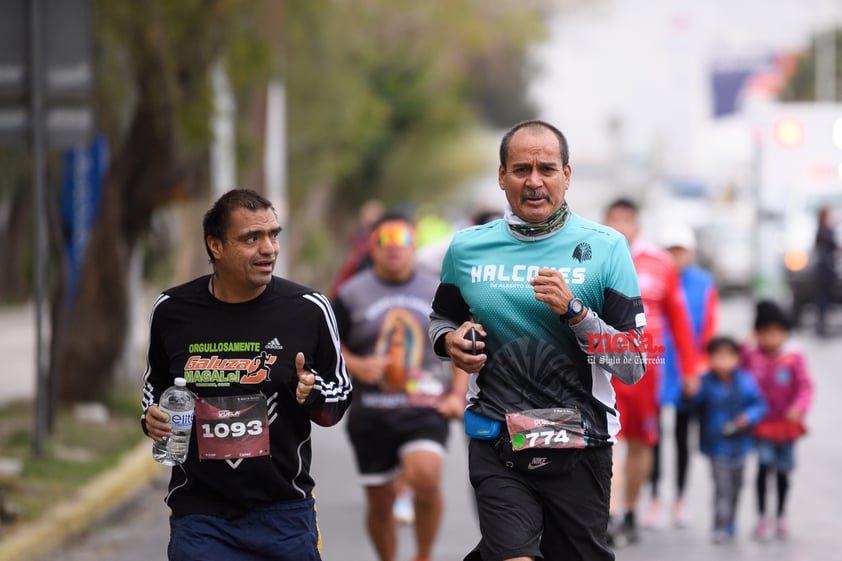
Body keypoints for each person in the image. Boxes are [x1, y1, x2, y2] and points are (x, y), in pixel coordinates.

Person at [429, 119, 647, 561]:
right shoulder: (467, 248)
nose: (533, 181)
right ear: (501, 176)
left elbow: (635, 364)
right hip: (497, 440)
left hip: (580, 445)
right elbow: (440, 319)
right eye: (521, 169)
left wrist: (577, 314)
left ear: (566, 176)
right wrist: (450, 342)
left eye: (546, 169)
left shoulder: (606, 248)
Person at [141, 189, 352, 561]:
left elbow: (338, 399)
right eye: (251, 238)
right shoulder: (173, 310)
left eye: (273, 235)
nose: (268, 248)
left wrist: (313, 393)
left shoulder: (308, 309)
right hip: (200, 515)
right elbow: (154, 387)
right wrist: (151, 417)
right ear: (216, 246)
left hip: (284, 512)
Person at [333, 210, 468, 561]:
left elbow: (461, 344)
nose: (394, 249)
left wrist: (457, 394)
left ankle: (423, 555)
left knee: (425, 478)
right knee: (380, 502)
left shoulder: (438, 290)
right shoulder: (349, 295)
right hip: (371, 412)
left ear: (414, 246)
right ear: (372, 248)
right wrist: (358, 363)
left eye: (402, 241)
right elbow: (330, 347)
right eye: (385, 241)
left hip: (425, 407)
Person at [603, 199, 699, 544]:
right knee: (608, 441)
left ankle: (629, 511)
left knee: (642, 444)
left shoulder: (660, 264)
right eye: (614, 220)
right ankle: (610, 514)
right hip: (603, 369)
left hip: (646, 370)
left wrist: (690, 369)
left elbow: (680, 320)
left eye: (626, 219)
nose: (621, 226)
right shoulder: (592, 258)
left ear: (637, 225)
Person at [646, 222, 719, 528]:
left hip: (687, 369)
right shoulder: (652, 280)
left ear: (691, 251)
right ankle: (653, 496)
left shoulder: (704, 283)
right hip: (656, 365)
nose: (675, 256)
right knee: (653, 436)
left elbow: (710, 326)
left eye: (681, 250)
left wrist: (699, 367)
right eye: (670, 250)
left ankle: (679, 498)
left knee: (681, 435)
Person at [682, 336, 767, 544]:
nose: (723, 361)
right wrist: (689, 393)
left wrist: (748, 417)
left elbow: (760, 404)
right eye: (717, 356)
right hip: (716, 445)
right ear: (709, 358)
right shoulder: (704, 382)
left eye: (728, 356)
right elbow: (690, 407)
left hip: (741, 444)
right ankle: (720, 525)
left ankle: (730, 523)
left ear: (737, 358)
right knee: (722, 487)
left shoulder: (745, 381)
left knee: (737, 486)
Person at [740, 300, 814, 540]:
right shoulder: (752, 355)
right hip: (762, 424)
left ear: (785, 333)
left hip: (786, 426)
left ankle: (781, 514)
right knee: (763, 468)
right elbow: (737, 365)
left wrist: (798, 408)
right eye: (766, 333)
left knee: (783, 471)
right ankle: (762, 516)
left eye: (777, 333)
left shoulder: (793, 358)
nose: (772, 339)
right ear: (758, 334)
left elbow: (805, 387)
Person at [813, 207, 838, 337]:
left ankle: (822, 325)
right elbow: (832, 245)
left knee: (824, 299)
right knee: (823, 299)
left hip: (825, 270)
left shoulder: (823, 229)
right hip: (824, 270)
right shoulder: (823, 230)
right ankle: (821, 326)